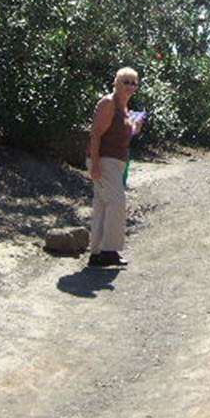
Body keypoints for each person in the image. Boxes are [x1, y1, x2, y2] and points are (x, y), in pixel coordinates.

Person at [86, 67, 143, 268]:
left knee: (103, 205)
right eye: (125, 81)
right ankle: (109, 251)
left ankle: (96, 254)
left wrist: (135, 127)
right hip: (104, 160)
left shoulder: (126, 109)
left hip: (116, 162)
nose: (130, 86)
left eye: (133, 82)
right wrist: (94, 164)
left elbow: (123, 134)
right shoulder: (108, 103)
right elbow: (95, 135)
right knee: (117, 202)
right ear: (115, 83)